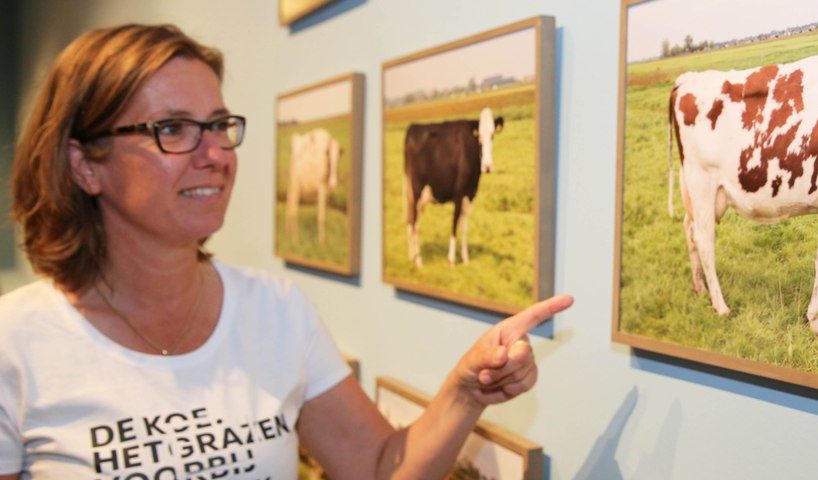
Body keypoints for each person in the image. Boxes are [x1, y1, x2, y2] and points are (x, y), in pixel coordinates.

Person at [0, 23, 573, 479]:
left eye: (220, 125)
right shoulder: (17, 344)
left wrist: (466, 391)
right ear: (84, 164)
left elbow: (378, 468)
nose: (216, 154)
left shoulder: (275, 310)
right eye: (173, 129)